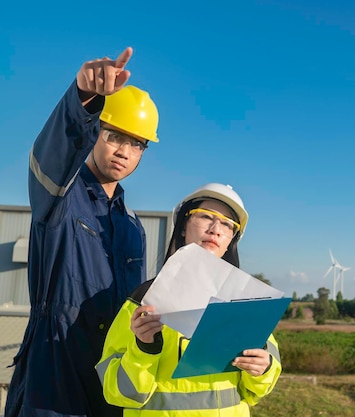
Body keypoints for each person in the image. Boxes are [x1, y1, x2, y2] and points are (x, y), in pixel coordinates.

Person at [5, 47, 160, 417]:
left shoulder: (133, 226)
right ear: (95, 133)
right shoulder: (60, 196)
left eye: (136, 143)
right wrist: (82, 101)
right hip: (54, 377)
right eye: (114, 136)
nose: (124, 151)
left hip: (109, 382)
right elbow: (52, 157)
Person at [96, 183, 282, 416]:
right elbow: (117, 392)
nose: (216, 229)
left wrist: (262, 369)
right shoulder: (143, 300)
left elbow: (258, 389)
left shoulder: (248, 304)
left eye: (227, 224)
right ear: (183, 226)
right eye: (206, 217)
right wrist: (143, 348)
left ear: (230, 241)